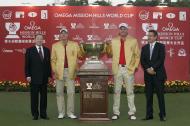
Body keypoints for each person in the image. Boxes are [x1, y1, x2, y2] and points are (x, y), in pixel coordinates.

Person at [105, 23, 140, 120]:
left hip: (128, 69)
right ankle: (116, 112)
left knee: (130, 92)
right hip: (118, 69)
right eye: (121, 29)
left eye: (124, 29)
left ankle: (132, 112)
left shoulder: (133, 40)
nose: (123, 30)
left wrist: (134, 67)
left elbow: (137, 55)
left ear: (127, 30)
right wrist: (108, 46)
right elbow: (109, 54)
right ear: (119, 30)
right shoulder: (114, 41)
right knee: (116, 91)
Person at [51, 27, 84, 119]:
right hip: (59, 72)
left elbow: (81, 56)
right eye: (62, 33)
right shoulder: (55, 46)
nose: (63, 35)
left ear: (67, 35)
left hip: (70, 71)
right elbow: (53, 60)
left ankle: (70, 112)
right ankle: (61, 112)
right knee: (59, 92)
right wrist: (55, 71)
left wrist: (81, 48)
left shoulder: (74, 44)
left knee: (71, 92)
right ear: (59, 35)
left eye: (65, 33)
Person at [140, 30, 167, 121]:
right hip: (148, 75)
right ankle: (149, 115)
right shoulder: (144, 48)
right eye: (148, 36)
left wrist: (152, 68)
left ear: (156, 37)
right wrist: (148, 69)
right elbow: (142, 60)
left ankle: (162, 114)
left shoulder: (161, 46)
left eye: (151, 36)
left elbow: (161, 59)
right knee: (148, 96)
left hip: (158, 75)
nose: (149, 37)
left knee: (160, 96)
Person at [25, 34, 51, 120]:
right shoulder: (29, 50)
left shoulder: (47, 50)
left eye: (41, 39)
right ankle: (35, 114)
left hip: (44, 78)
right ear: (34, 40)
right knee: (34, 97)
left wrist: (49, 75)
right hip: (34, 78)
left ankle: (43, 114)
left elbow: (48, 65)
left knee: (44, 98)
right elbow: (27, 65)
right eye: (38, 39)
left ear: (43, 40)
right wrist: (28, 75)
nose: (39, 40)